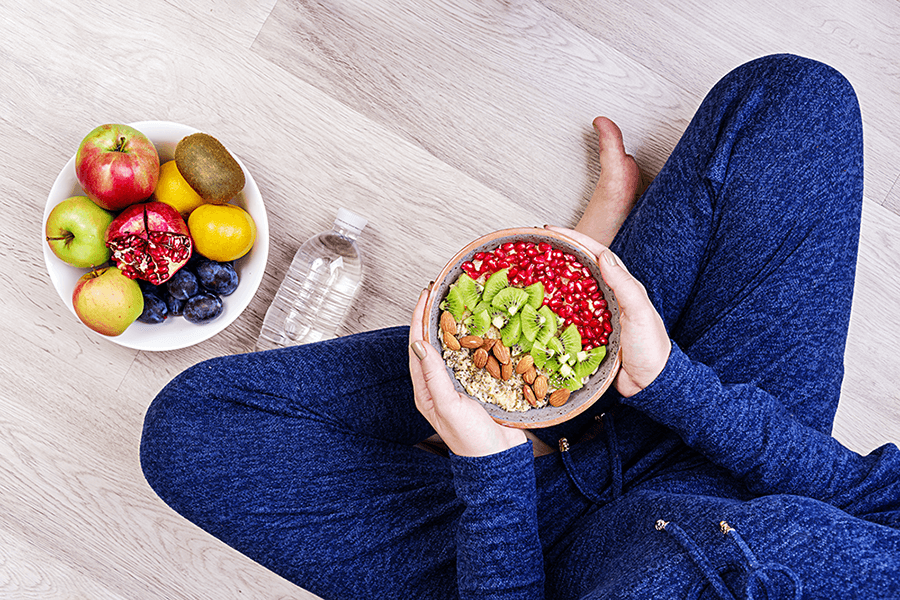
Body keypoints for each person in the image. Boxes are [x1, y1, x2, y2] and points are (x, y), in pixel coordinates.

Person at [140, 54, 900, 599]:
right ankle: (585, 331)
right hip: (731, 463)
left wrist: (494, 478)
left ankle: (549, 351)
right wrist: (676, 385)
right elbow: (873, 496)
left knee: (192, 433)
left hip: (537, 554)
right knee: (793, 100)